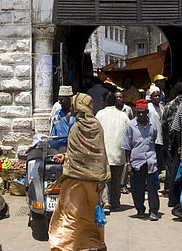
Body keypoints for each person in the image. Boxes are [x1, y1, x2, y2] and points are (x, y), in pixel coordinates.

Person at [49, 93, 111, 251]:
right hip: (94, 181)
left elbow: (77, 153)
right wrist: (101, 180)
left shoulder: (76, 126)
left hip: (74, 180)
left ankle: (64, 246)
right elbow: (100, 153)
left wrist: (65, 157)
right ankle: (98, 244)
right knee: (91, 216)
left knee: (71, 216)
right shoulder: (97, 125)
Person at [122, 99, 160, 221]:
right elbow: (127, 146)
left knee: (152, 188)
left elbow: (154, 141)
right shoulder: (130, 126)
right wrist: (128, 164)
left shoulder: (153, 126)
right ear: (135, 112)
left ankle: (153, 211)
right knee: (137, 188)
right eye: (139, 113)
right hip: (136, 161)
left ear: (147, 112)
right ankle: (140, 209)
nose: (141, 115)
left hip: (150, 161)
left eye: (143, 112)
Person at [97, 91, 130, 211]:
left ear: (105, 102)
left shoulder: (100, 114)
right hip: (119, 153)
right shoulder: (123, 116)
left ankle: (106, 202)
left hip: (104, 152)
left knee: (106, 179)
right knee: (116, 179)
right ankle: (115, 202)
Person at [162, 82, 182, 206]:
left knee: (172, 166)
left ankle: (171, 193)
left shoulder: (169, 105)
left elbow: (164, 124)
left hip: (173, 138)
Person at [50, 86, 76, 152]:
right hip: (60, 148)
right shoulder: (57, 114)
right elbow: (53, 131)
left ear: (69, 99)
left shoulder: (76, 115)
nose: (60, 102)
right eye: (59, 100)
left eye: (61, 100)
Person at [147, 85, 165, 175]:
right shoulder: (148, 107)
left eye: (158, 96)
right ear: (151, 97)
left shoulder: (161, 107)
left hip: (159, 138)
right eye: (155, 96)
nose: (157, 98)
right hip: (151, 138)